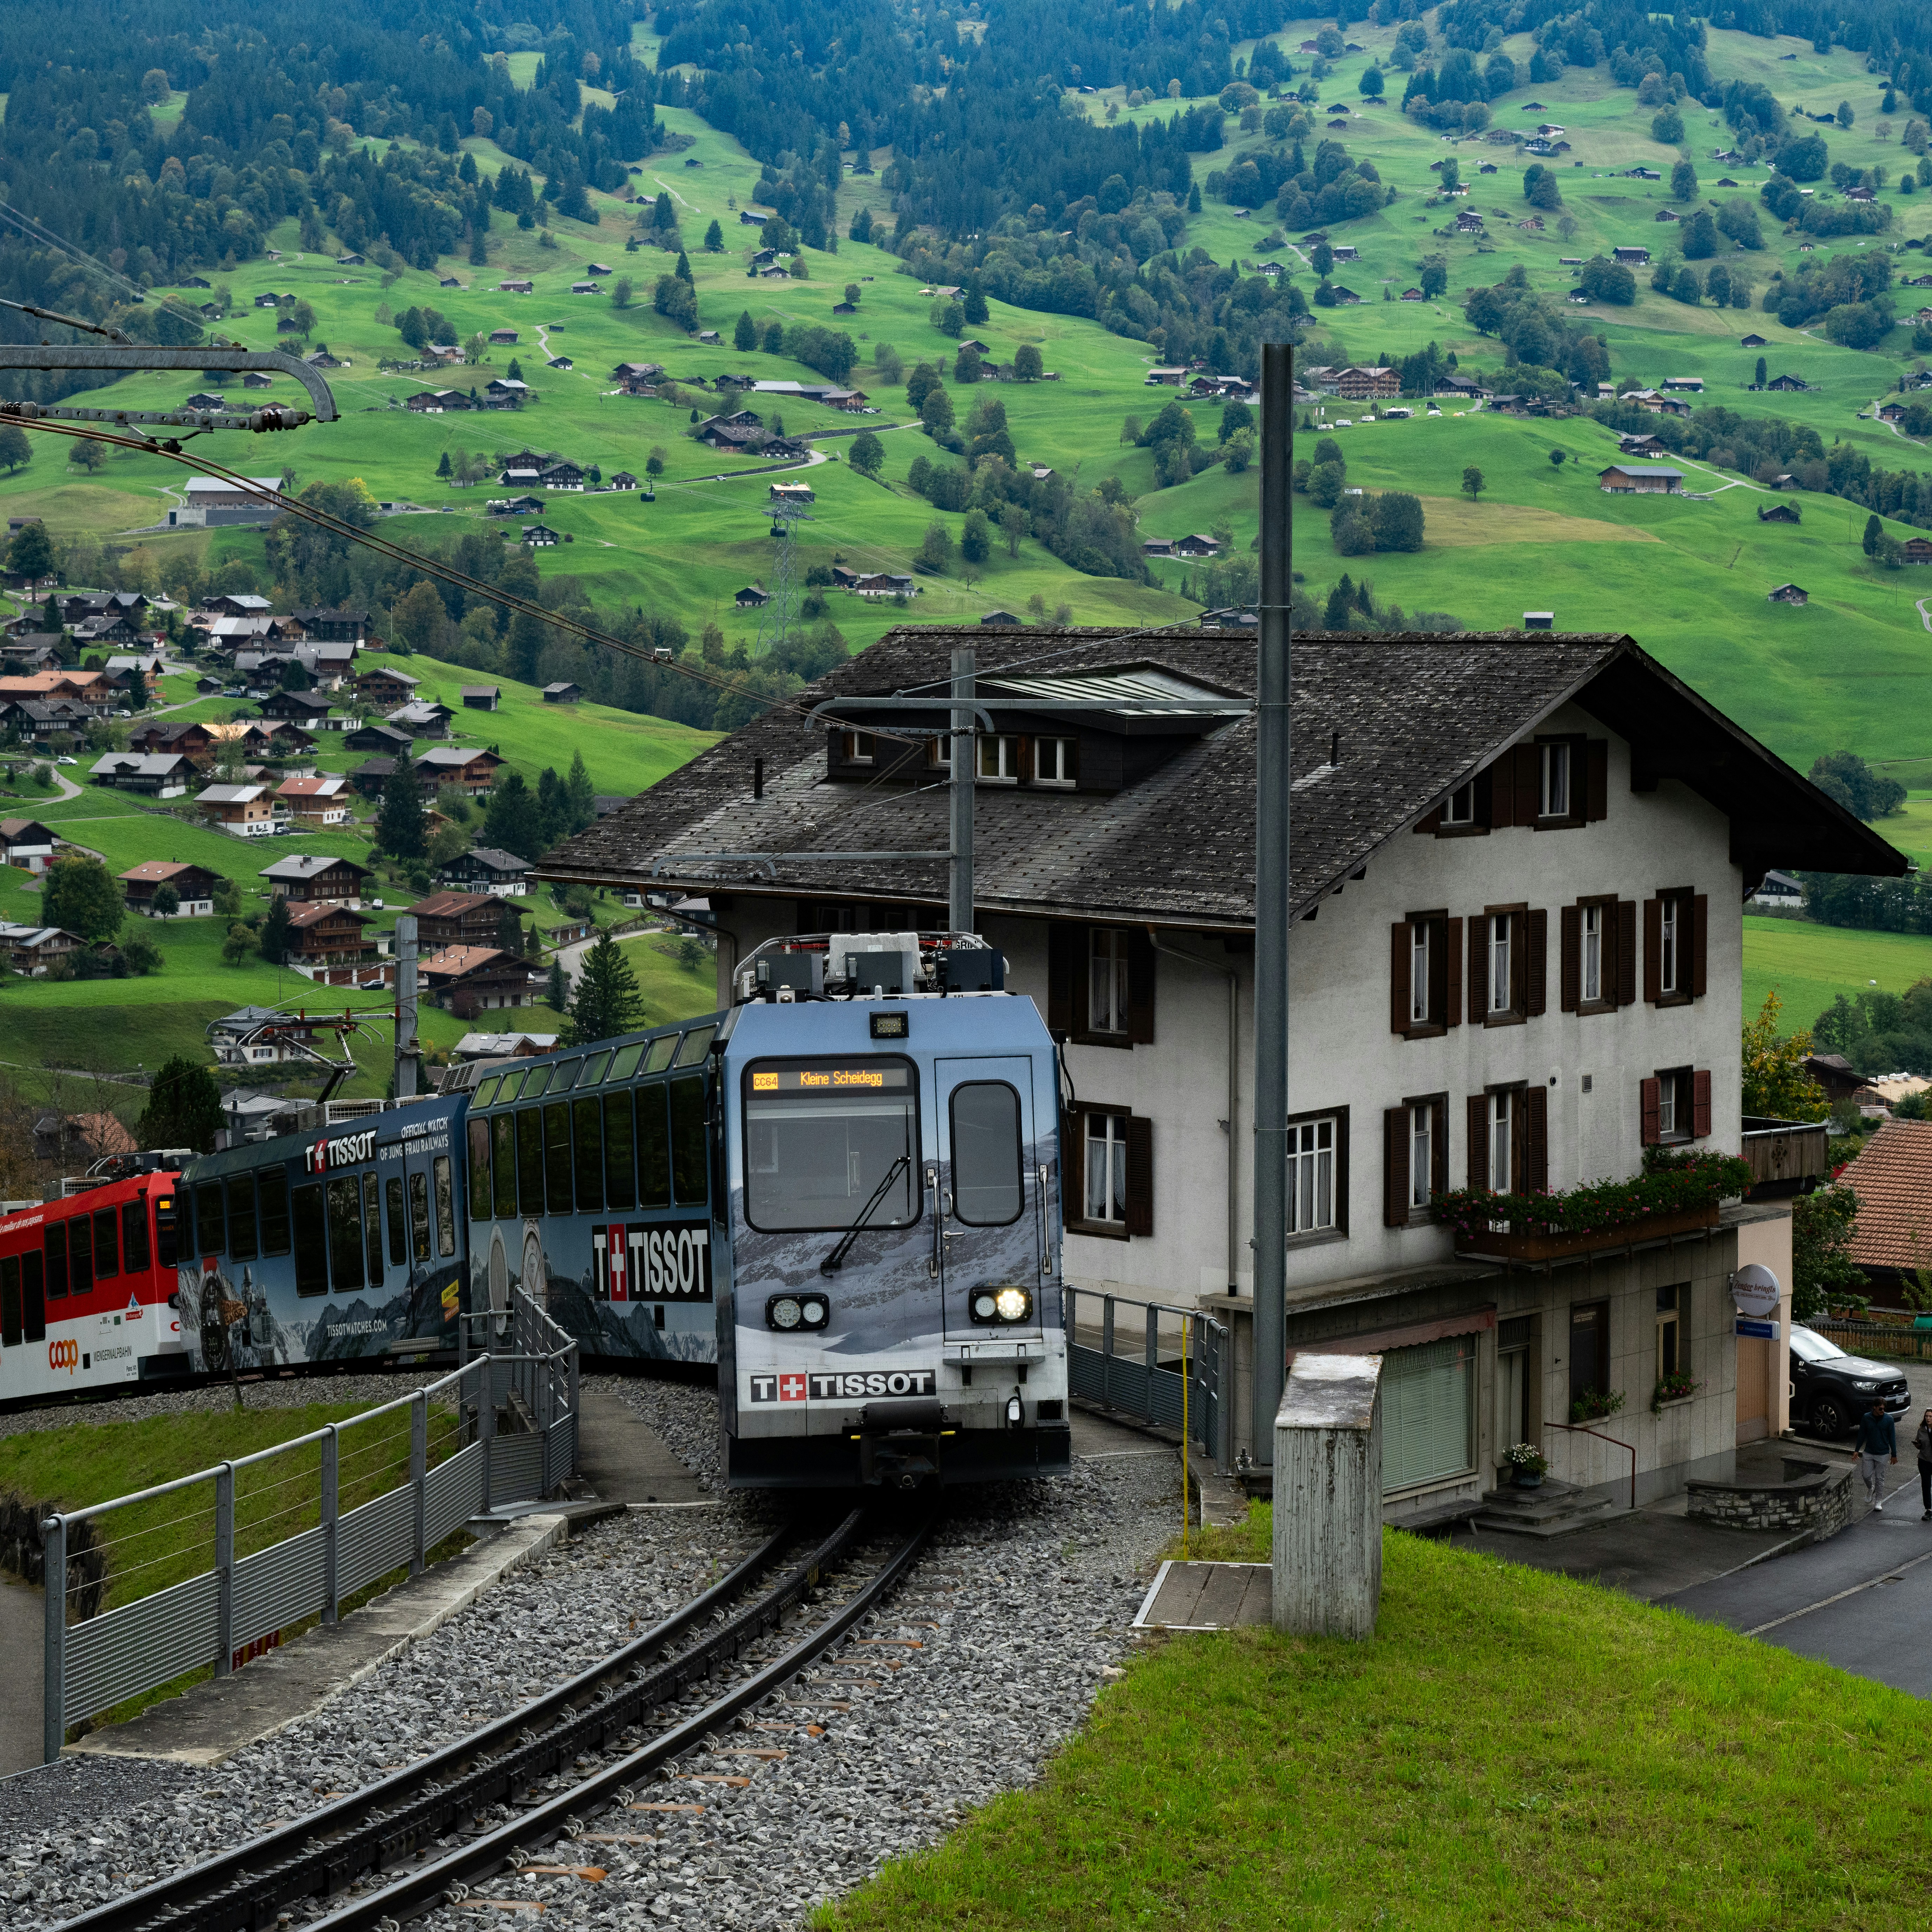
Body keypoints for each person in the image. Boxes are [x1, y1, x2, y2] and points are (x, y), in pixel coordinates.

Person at [1855, 1397, 1898, 1511]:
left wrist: (1894, 1454)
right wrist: (1857, 1450)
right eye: (1880, 1408)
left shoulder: (1889, 1420)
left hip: (1883, 1453)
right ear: (1874, 1407)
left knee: (1880, 1478)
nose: (1883, 1410)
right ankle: (1870, 1488)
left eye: (1884, 1409)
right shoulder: (1867, 1418)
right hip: (1869, 1452)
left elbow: (1892, 1437)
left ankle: (1878, 1501)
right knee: (1866, 1475)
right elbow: (1862, 1434)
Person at [1915, 1408, 1932, 1521]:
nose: (1928, 1418)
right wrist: (1917, 1445)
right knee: (1926, 1486)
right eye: (1927, 1416)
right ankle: (1929, 1510)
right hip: (1924, 1460)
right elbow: (1919, 1443)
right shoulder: (1921, 1430)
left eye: (1930, 1417)